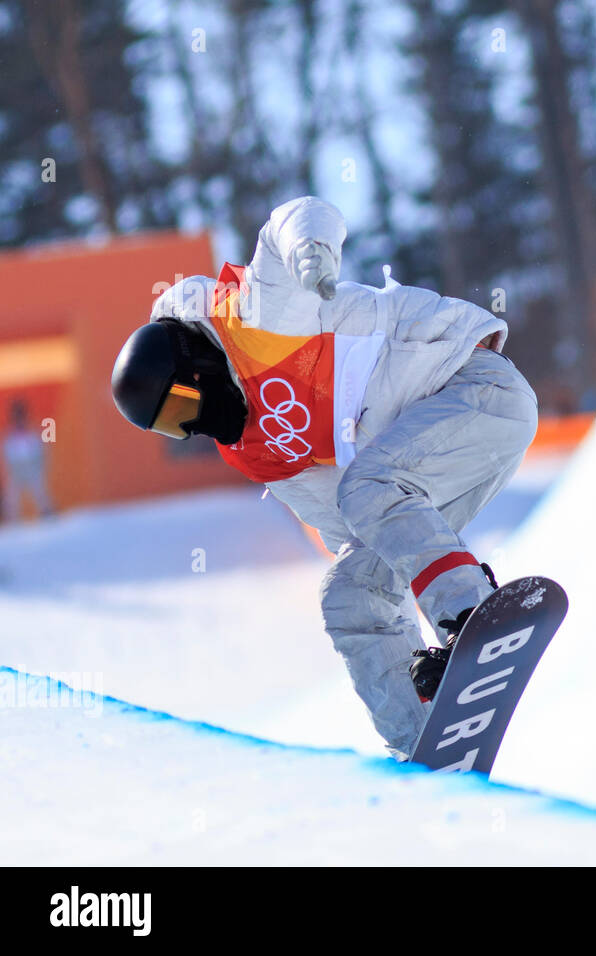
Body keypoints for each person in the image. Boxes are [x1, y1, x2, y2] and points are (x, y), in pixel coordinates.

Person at [110, 197, 538, 759]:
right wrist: (378, 585)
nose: (190, 427)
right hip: (432, 458)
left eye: (180, 407)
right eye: (171, 429)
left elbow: (297, 215)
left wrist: (311, 252)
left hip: (475, 386)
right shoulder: (254, 450)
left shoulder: (256, 319)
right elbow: (350, 528)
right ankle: (420, 744)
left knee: (369, 486)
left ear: (196, 365)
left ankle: (470, 615)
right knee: (349, 592)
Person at [2, 399, 54, 522]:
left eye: (21, 416)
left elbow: (43, 452)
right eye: (16, 417)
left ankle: (49, 516)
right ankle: (12, 524)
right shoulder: (8, 435)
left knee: (41, 494)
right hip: (16, 471)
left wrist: (40, 468)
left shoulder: (33, 432)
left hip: (32, 469)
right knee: (11, 499)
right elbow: (5, 457)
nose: (19, 420)